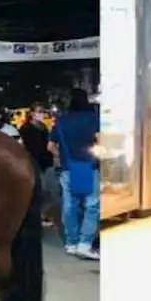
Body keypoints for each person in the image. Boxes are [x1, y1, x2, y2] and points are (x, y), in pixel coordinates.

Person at [51, 88, 100, 260]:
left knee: (69, 205)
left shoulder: (61, 120)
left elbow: (50, 146)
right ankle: (85, 243)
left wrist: (61, 156)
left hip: (68, 167)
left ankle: (71, 243)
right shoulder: (93, 118)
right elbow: (100, 139)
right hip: (90, 166)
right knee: (92, 205)